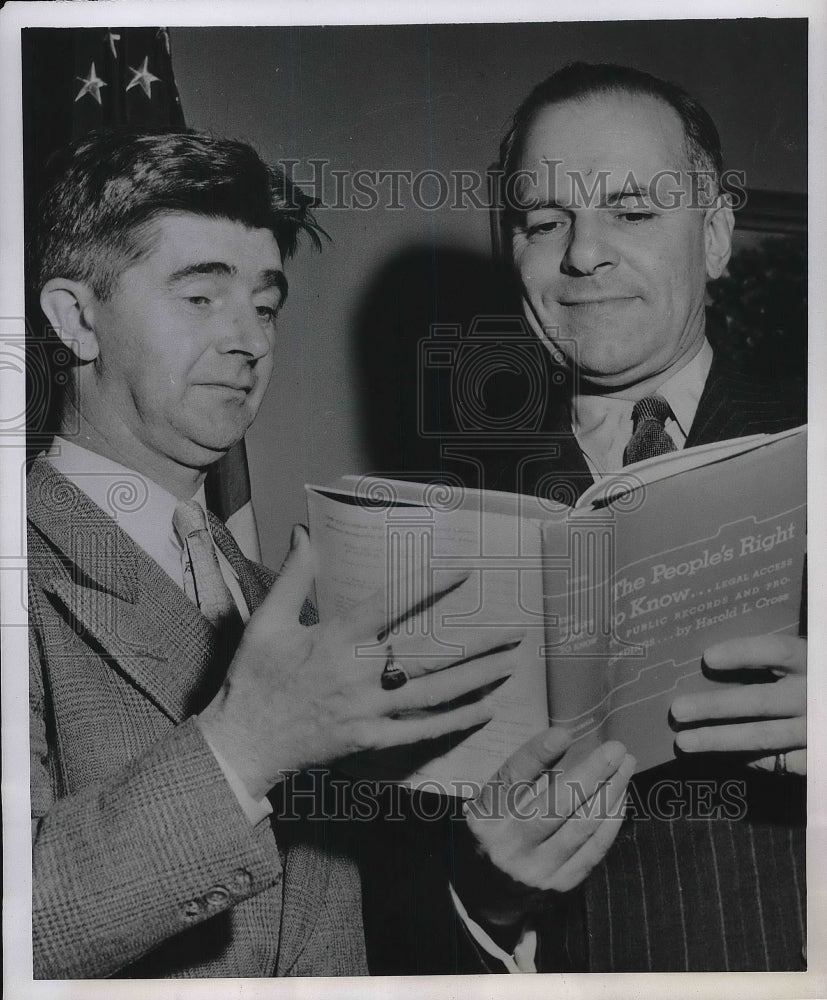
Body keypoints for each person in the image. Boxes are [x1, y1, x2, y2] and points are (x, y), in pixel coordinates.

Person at [27, 127, 635, 978]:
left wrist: (485, 892)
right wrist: (242, 746)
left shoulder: (286, 600)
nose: (249, 340)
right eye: (201, 298)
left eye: (265, 305)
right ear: (74, 318)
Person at [482, 62, 805, 971]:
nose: (582, 254)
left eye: (630, 213)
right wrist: (486, 892)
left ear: (712, 237)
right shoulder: (448, 524)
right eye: (545, 222)